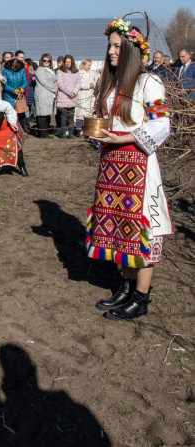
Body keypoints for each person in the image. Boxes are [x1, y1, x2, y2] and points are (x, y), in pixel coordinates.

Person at [87, 18, 172, 321]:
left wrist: (124, 137)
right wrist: (100, 136)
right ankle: (124, 286)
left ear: (132, 50)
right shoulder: (114, 85)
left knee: (140, 230)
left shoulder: (149, 82)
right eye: (109, 45)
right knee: (118, 227)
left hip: (138, 165)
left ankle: (142, 297)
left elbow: (162, 122)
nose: (111, 51)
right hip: (113, 166)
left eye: (117, 46)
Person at [0, 99, 27, 177]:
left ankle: (22, 166)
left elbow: (7, 106)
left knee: (14, 145)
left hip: (5, 126)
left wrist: (12, 122)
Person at [55, 54, 80, 138]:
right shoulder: (60, 72)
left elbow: (78, 83)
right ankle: (63, 133)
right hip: (64, 96)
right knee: (63, 116)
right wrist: (69, 92)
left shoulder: (76, 72)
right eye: (66, 62)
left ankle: (71, 133)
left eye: (69, 62)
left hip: (73, 96)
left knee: (71, 116)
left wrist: (74, 92)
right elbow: (60, 84)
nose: (68, 64)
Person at [2, 58, 29, 133]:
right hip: (9, 96)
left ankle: (23, 130)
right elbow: (4, 85)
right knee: (10, 113)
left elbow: (25, 81)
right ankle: (10, 130)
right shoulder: (5, 71)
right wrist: (13, 90)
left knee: (21, 114)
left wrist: (22, 89)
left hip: (20, 96)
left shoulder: (22, 70)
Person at [34, 53, 57, 138]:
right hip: (42, 94)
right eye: (45, 60)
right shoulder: (40, 70)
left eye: (48, 61)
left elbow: (54, 80)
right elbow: (44, 82)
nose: (46, 62)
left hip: (50, 94)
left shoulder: (51, 70)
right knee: (42, 114)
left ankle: (45, 131)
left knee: (47, 114)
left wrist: (56, 87)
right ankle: (42, 133)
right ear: (41, 61)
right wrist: (54, 88)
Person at [75, 58, 99, 136]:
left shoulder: (93, 73)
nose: (89, 67)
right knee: (81, 113)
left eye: (90, 65)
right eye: (88, 65)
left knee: (89, 113)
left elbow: (97, 82)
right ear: (83, 65)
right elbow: (78, 84)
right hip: (82, 94)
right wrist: (88, 86)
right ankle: (79, 129)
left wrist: (93, 85)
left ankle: (87, 129)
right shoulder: (79, 73)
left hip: (91, 95)